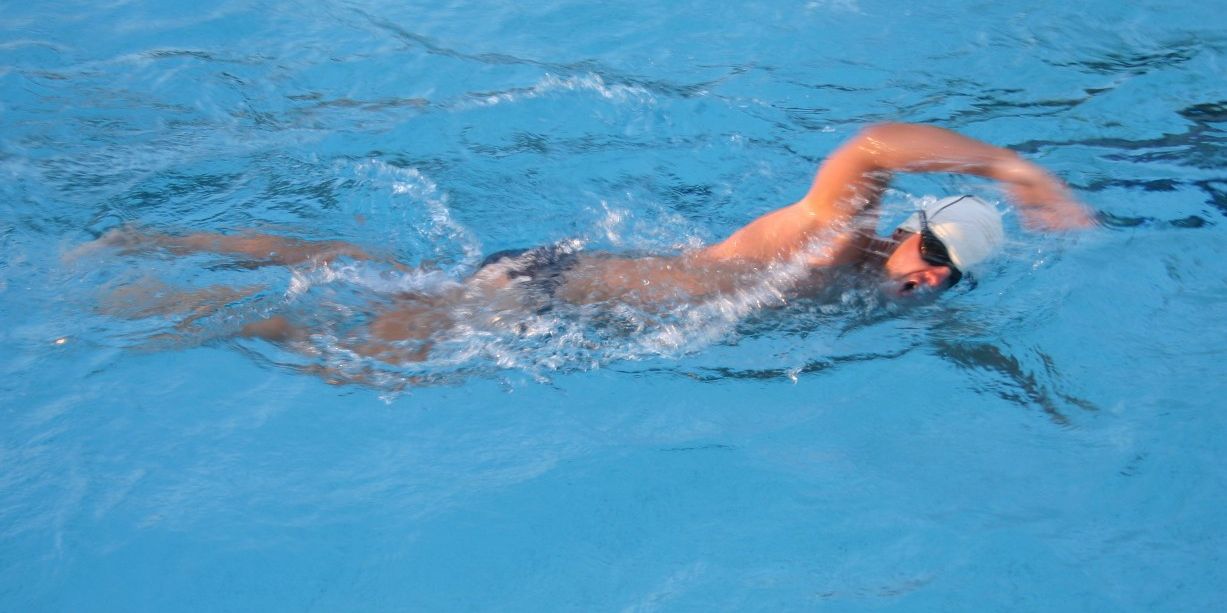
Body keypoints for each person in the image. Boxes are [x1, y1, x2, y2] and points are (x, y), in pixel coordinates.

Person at [87, 122, 1095, 364]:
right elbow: (875, 142)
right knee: (370, 360)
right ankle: (148, 311)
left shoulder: (896, 293)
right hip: (555, 298)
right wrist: (1015, 171)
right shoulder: (840, 242)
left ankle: (153, 240)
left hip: (561, 278)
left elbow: (964, 345)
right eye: (934, 256)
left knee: (381, 283)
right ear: (913, 230)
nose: (927, 281)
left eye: (946, 281)